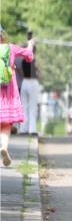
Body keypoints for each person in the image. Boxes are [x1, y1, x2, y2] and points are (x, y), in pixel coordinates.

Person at [0, 27, 35, 167]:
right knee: (6, 124)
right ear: (2, 36)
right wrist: (30, 45)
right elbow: (29, 56)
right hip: (8, 93)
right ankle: (4, 147)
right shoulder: (11, 48)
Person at [18, 32, 40, 136]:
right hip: (32, 83)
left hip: (24, 83)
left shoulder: (23, 60)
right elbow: (38, 73)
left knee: (24, 107)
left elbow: (22, 72)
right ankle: (32, 129)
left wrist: (29, 40)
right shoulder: (34, 60)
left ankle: (23, 129)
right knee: (32, 107)